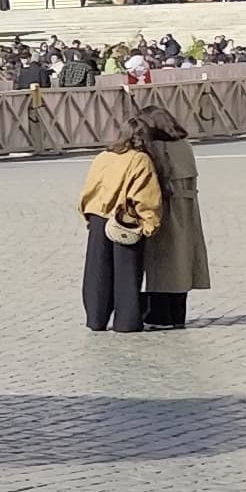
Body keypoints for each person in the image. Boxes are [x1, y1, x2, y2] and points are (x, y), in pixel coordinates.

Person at [76, 127, 165, 335]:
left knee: (97, 271)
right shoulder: (140, 159)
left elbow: (89, 189)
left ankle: (96, 318)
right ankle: (126, 322)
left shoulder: (103, 157)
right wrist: (149, 224)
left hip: (98, 216)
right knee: (127, 273)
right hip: (125, 220)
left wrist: (88, 215)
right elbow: (145, 196)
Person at [134, 107, 208, 329]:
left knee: (160, 263)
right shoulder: (184, 145)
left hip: (164, 208)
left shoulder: (154, 149)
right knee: (181, 261)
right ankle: (177, 314)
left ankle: (159, 316)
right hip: (187, 210)